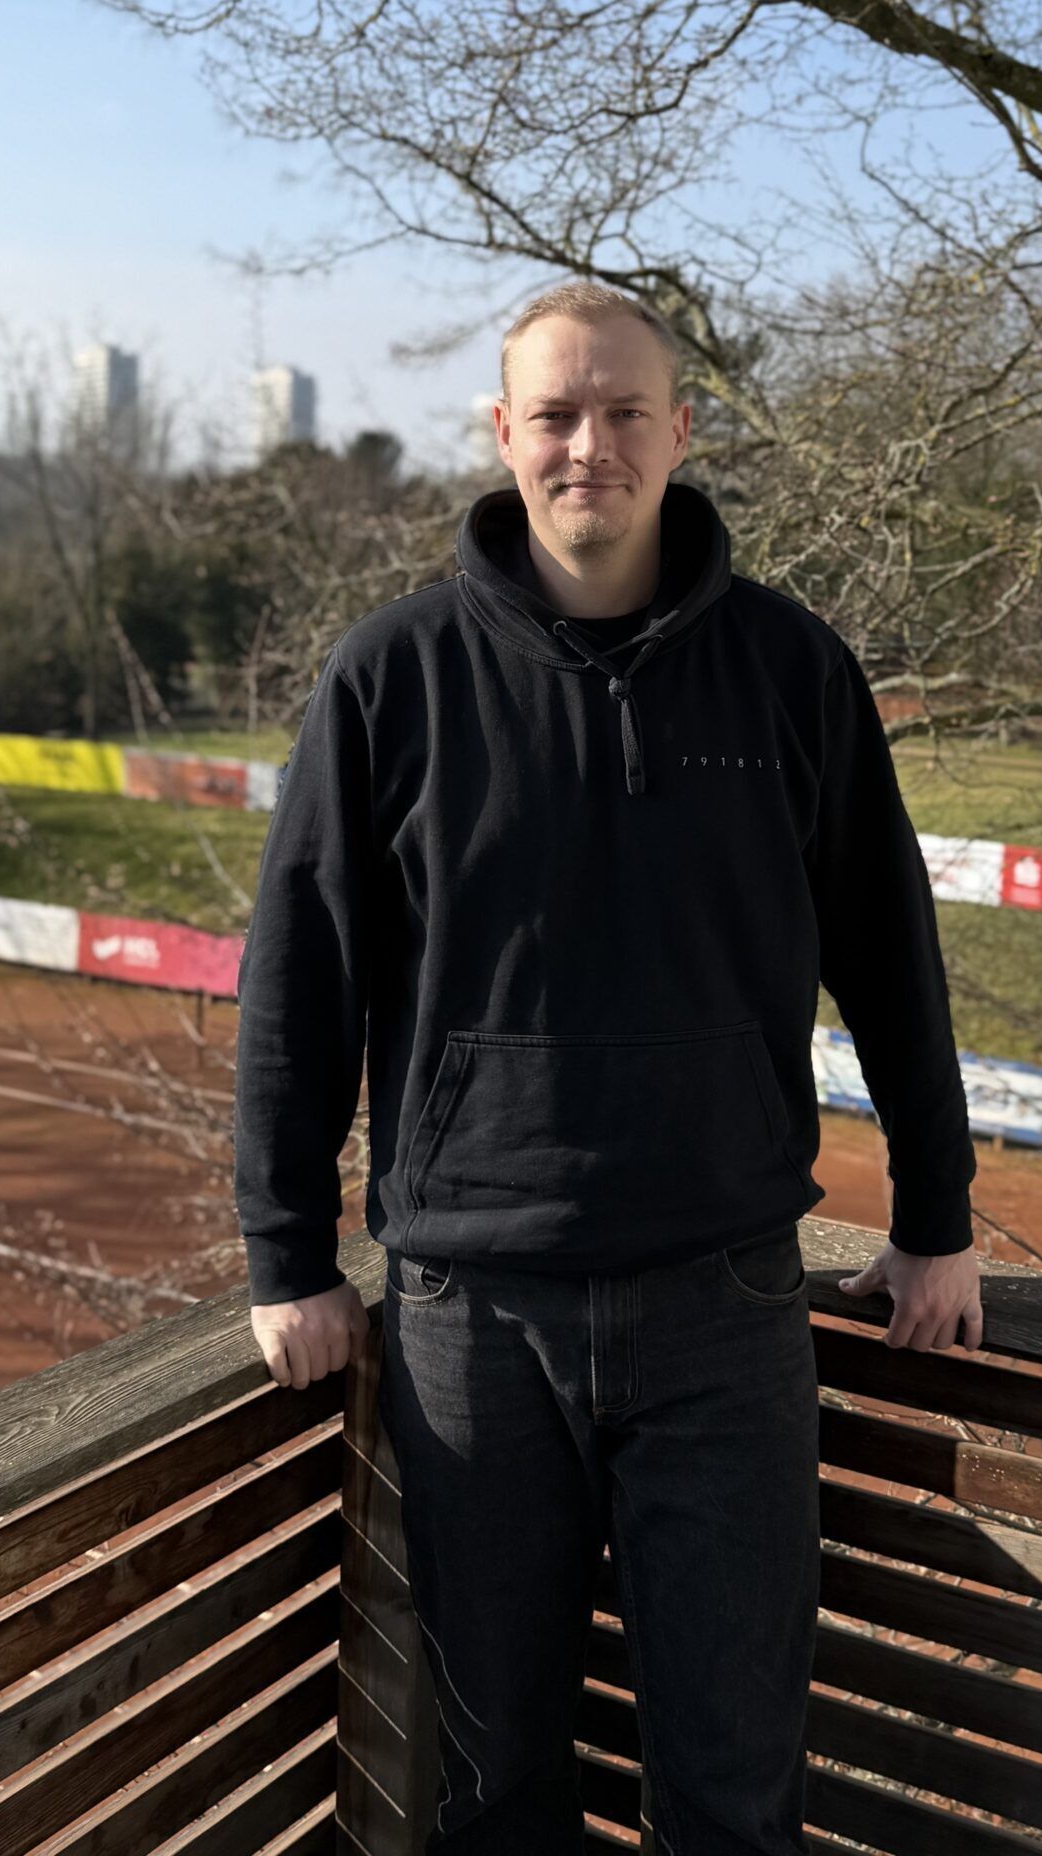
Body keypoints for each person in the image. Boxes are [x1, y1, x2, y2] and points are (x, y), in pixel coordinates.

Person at [234, 279, 981, 1855]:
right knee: (497, 1794)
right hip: (466, 1323)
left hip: (727, 1306)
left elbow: (893, 957)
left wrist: (938, 1210)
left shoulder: (792, 671)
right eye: (557, 415)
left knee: (728, 1786)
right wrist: (287, 1253)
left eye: (626, 410)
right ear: (504, 435)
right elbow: (301, 978)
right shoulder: (392, 678)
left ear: (682, 431)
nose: (592, 445)